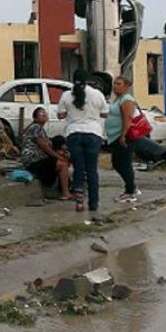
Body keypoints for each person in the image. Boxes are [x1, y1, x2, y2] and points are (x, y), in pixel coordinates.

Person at [57, 69, 109, 221]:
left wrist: (71, 112)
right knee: (92, 170)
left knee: (79, 168)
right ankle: (93, 204)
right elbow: (105, 113)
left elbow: (60, 115)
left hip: (74, 133)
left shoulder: (66, 95)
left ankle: (79, 200)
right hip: (93, 134)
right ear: (88, 80)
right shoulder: (97, 94)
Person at [20, 107, 72, 200]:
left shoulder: (40, 129)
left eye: (45, 113)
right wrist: (58, 156)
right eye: (41, 114)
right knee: (62, 164)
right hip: (34, 160)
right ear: (35, 118)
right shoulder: (36, 127)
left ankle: (65, 188)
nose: (44, 115)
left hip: (39, 159)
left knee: (63, 159)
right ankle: (65, 193)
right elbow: (44, 146)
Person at [107, 76, 142, 203]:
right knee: (117, 162)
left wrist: (123, 135)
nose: (115, 86)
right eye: (114, 83)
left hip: (123, 136)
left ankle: (130, 191)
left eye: (119, 84)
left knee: (123, 163)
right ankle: (131, 186)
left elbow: (128, 119)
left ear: (126, 86)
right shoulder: (117, 99)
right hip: (114, 136)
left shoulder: (127, 100)